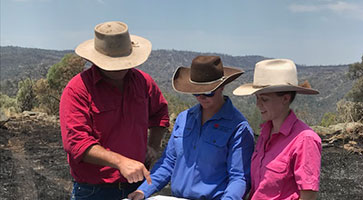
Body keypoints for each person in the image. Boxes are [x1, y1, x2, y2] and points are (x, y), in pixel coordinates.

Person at [59, 21, 169, 200]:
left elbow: (160, 114)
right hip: (93, 191)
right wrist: (120, 162)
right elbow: (76, 143)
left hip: (137, 186)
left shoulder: (143, 82)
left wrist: (153, 146)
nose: (119, 68)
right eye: (113, 63)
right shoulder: (78, 89)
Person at [128, 56, 255, 200]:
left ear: (222, 86)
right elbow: (168, 163)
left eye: (208, 92)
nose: (201, 97)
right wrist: (143, 191)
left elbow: (239, 178)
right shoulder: (183, 119)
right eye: (195, 92)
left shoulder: (238, 128)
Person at [233, 59, 322, 200]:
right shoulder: (265, 133)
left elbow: (308, 196)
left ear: (285, 98)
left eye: (265, 99)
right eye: (257, 98)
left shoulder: (305, 140)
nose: (258, 105)